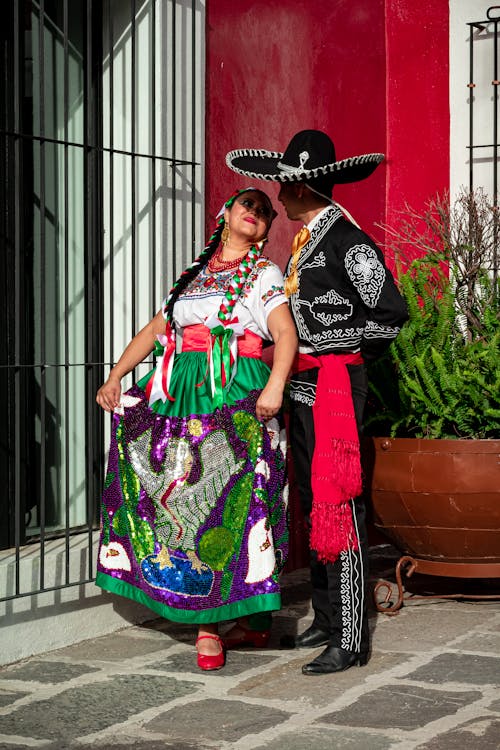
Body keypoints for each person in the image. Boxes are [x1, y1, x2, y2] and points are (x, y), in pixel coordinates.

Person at [226, 130, 408, 675]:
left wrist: (322, 347)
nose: (277, 197)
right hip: (306, 389)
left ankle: (351, 639)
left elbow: (390, 316)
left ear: (302, 186)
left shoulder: (349, 244)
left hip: (333, 388)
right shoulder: (308, 240)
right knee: (313, 500)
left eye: (283, 186)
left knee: (339, 504)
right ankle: (328, 618)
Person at [95, 188, 298, 672]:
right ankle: (242, 617)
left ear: (267, 229)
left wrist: (274, 387)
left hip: (234, 392)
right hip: (181, 390)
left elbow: (285, 333)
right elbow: (153, 332)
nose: (255, 212)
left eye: (264, 211)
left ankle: (214, 624)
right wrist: (116, 376)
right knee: (180, 494)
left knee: (233, 501)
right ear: (224, 213)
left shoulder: (265, 274)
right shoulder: (193, 275)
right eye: (246, 204)